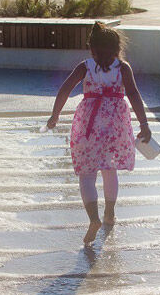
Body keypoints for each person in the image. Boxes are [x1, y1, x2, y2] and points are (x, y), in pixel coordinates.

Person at [45, 21, 152, 245]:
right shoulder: (122, 67)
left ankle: (93, 219)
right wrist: (144, 124)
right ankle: (109, 213)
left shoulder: (85, 66)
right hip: (115, 124)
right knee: (109, 168)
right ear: (116, 48)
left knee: (87, 172)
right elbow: (133, 94)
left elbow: (65, 88)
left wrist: (55, 116)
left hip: (88, 124)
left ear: (92, 47)